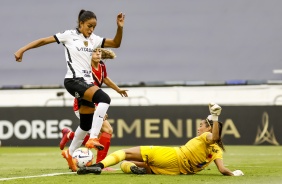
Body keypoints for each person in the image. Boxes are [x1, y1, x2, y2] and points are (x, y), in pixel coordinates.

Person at [14, 9, 125, 172]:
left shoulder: (94, 39)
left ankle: (70, 154)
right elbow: (44, 41)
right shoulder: (69, 35)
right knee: (105, 99)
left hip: (85, 84)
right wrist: (22, 49)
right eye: (89, 26)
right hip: (73, 81)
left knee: (85, 124)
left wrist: (120, 27)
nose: (91, 30)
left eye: (94, 26)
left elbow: (116, 43)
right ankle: (93, 138)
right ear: (81, 23)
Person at [76, 103, 244, 176]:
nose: (198, 128)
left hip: (173, 155)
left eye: (201, 125)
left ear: (208, 127)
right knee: (128, 165)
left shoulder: (207, 137)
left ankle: (98, 166)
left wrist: (214, 116)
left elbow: (214, 136)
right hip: (176, 171)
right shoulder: (217, 151)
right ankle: (135, 168)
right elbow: (222, 170)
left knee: (125, 153)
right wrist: (233, 174)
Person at [60, 48, 128, 166]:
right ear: (88, 55)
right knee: (107, 130)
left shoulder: (101, 65)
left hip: (96, 103)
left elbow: (105, 78)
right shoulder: (85, 69)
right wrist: (97, 108)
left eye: (99, 52)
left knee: (87, 129)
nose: (97, 54)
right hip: (83, 103)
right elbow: (85, 91)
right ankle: (100, 164)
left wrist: (118, 89)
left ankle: (70, 146)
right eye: (94, 52)